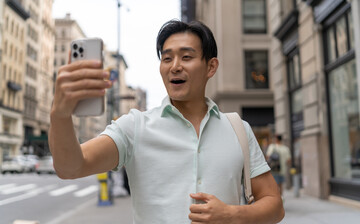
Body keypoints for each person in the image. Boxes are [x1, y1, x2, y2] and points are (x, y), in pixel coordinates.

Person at [49, 19, 284, 223]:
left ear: (211, 66)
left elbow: (274, 205)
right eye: (167, 58)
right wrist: (59, 114)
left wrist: (232, 216)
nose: (175, 67)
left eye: (187, 57)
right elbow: (71, 167)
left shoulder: (238, 129)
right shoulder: (135, 127)